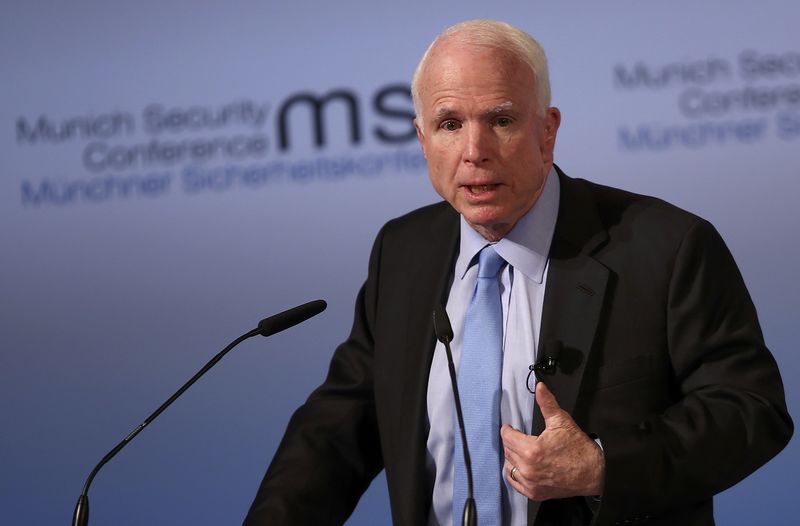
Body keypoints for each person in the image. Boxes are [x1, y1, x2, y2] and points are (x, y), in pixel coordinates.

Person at [244, 20, 792, 526]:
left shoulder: (668, 248)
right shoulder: (403, 251)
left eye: (501, 120)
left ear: (547, 130)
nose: (474, 151)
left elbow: (751, 409)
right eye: (450, 124)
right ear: (421, 139)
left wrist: (603, 465)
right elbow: (341, 422)